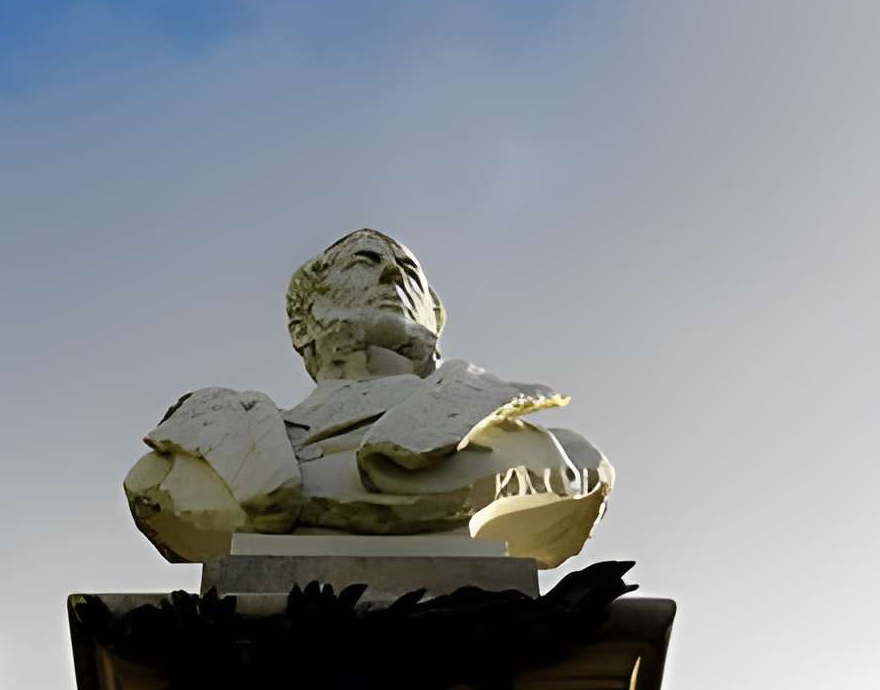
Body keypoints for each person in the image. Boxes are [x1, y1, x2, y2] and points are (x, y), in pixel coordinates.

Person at [124, 228, 613, 568]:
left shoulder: (550, 454)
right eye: (366, 260)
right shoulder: (205, 447)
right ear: (303, 325)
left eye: (408, 271)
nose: (392, 277)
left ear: (433, 321)